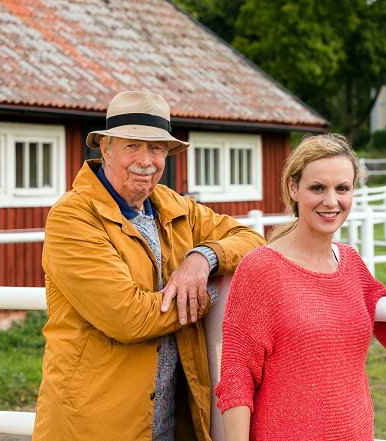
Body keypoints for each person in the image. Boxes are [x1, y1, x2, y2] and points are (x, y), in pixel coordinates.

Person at [33, 91, 265, 441]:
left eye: (156, 148)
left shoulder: (169, 203)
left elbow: (249, 238)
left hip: (169, 419)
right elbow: (127, 317)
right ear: (106, 148)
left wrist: (202, 258)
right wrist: (210, 292)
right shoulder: (73, 217)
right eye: (132, 146)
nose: (146, 160)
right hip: (95, 423)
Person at [214, 133, 386, 441]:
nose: (331, 201)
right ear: (294, 188)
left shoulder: (351, 263)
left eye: (342, 188)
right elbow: (236, 379)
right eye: (317, 188)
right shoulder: (261, 269)